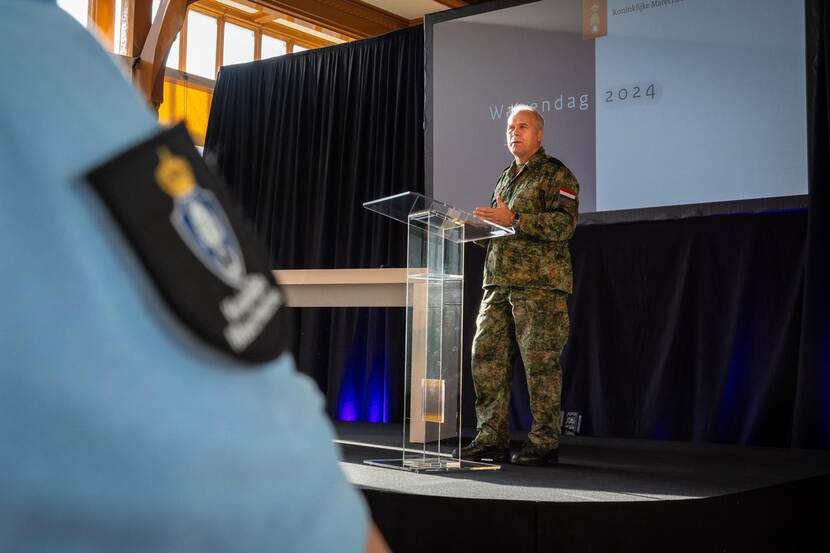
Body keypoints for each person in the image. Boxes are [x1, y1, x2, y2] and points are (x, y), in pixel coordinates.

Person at [0, 2, 387, 551]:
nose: (513, 133)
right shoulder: (38, 60)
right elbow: (259, 493)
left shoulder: (40, 52)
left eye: (521, 126)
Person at [457, 104, 579, 466]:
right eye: (510, 127)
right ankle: (490, 438)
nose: (514, 133)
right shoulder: (505, 177)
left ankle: (543, 442)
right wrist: (473, 231)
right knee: (487, 359)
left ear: (539, 134)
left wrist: (517, 218)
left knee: (540, 364)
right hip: (497, 284)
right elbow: (502, 230)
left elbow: (564, 226)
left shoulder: (556, 174)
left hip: (538, 288)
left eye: (522, 127)